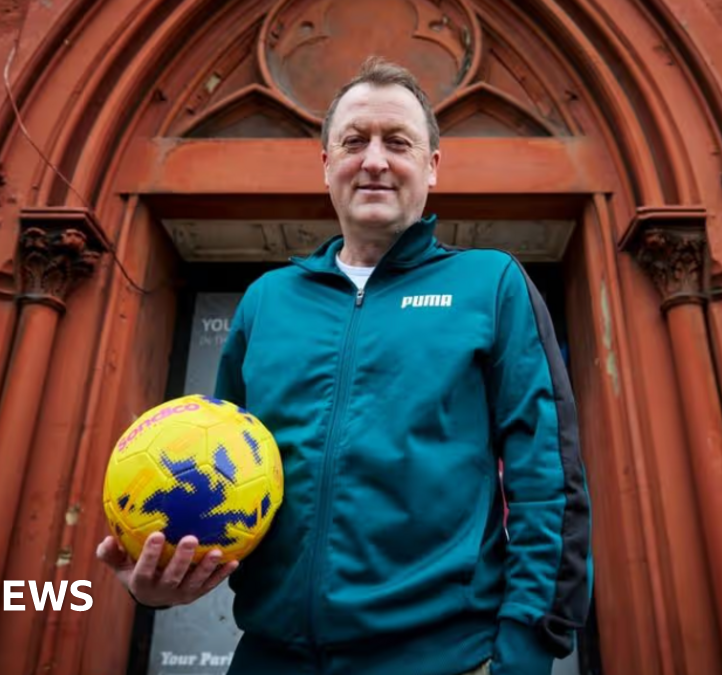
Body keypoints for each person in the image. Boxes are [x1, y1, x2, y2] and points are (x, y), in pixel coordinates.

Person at [97, 57, 592, 675]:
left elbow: (548, 481)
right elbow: (225, 477)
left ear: (432, 168)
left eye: (399, 142)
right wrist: (168, 577)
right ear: (327, 163)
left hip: (444, 660)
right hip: (269, 659)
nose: (376, 160)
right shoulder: (267, 302)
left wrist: (525, 652)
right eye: (355, 141)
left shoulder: (491, 285)